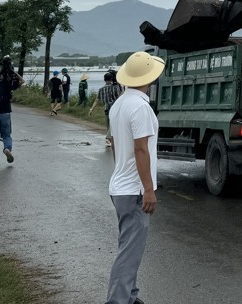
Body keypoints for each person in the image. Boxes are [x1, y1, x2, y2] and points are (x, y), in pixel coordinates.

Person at [105, 51, 164, 304]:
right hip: (134, 191)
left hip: (120, 187)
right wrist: (148, 189)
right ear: (149, 79)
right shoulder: (141, 107)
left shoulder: (120, 104)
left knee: (129, 248)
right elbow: (141, 149)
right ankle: (117, 301)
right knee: (129, 254)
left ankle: (130, 297)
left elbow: (118, 146)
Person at [90, 71, 122, 146]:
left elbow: (97, 100)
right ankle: (109, 139)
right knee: (113, 124)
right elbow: (121, 95)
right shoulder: (116, 87)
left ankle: (109, 140)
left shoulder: (101, 89)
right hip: (115, 108)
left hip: (106, 108)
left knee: (108, 125)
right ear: (111, 79)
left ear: (104, 79)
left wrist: (91, 109)